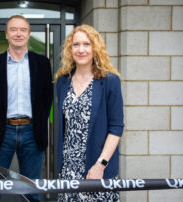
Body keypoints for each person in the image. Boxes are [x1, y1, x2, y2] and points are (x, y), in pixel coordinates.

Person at [0, 15, 53, 201]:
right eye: (13, 29)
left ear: (29, 34)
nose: (18, 33)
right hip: (1, 132)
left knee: (31, 190)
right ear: (6, 34)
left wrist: (37, 123)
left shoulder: (43, 63)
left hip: (31, 131)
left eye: (23, 30)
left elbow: (47, 99)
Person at [55, 24, 124, 201]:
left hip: (97, 167)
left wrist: (101, 164)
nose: (81, 50)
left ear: (95, 48)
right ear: (70, 50)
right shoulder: (63, 81)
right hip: (68, 169)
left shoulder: (110, 81)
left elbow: (116, 128)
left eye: (87, 44)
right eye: (76, 45)